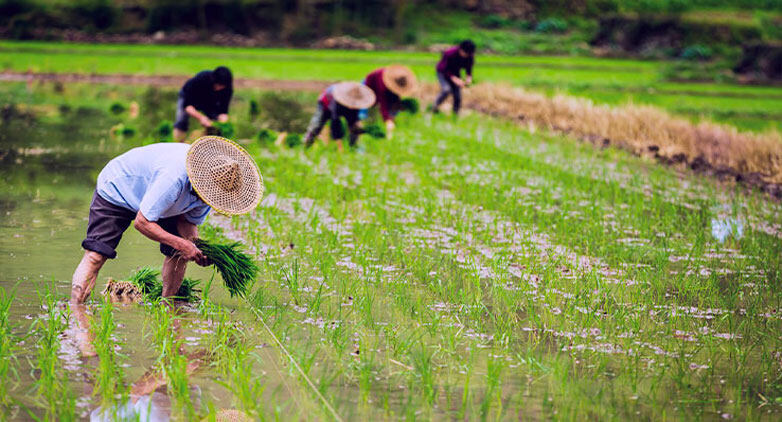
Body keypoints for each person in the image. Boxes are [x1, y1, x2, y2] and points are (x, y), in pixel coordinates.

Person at [70, 136, 263, 304]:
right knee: (96, 255)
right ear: (199, 181)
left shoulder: (213, 190)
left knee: (178, 254)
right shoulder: (173, 178)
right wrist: (181, 243)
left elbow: (188, 223)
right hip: (119, 188)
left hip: (162, 202)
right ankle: (75, 311)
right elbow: (142, 222)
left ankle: (168, 306)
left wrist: (196, 248)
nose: (209, 200)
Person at [303, 82, 376, 150]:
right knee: (317, 125)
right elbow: (335, 123)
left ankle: (353, 147)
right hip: (325, 104)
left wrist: (359, 129)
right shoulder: (336, 101)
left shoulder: (356, 103)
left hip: (343, 105)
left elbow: (354, 121)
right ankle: (306, 145)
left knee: (354, 126)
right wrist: (340, 147)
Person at [173, 67, 233, 142]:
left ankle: (205, 146)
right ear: (214, 81)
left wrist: (222, 123)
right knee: (181, 121)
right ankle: (179, 144)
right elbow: (188, 106)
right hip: (190, 97)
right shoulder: (201, 79)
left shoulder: (227, 88)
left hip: (209, 100)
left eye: (222, 87)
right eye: (218, 85)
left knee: (214, 125)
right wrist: (201, 117)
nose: (219, 88)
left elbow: (223, 111)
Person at [362, 65, 417, 139]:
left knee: (390, 111)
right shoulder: (382, 85)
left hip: (382, 90)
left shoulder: (396, 81)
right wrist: (387, 120)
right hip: (368, 86)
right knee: (369, 113)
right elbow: (383, 103)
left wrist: (393, 116)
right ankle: (368, 131)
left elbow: (395, 99)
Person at [432, 40, 476, 115]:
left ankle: (455, 114)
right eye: (466, 54)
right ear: (461, 50)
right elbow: (444, 69)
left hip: (455, 72)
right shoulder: (449, 53)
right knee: (446, 89)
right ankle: (434, 107)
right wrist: (454, 79)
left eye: (469, 54)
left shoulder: (470, 56)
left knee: (457, 95)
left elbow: (469, 68)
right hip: (442, 72)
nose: (467, 56)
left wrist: (469, 77)